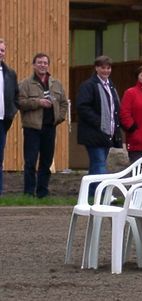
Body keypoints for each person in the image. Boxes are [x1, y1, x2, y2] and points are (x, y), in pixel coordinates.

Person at [17, 53, 68, 198]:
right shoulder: (25, 84)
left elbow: (63, 103)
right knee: (30, 161)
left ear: (48, 65)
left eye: (45, 63)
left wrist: (59, 117)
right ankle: (28, 193)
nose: (42, 65)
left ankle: (42, 192)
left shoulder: (56, 84)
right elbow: (20, 103)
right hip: (32, 128)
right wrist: (38, 102)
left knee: (46, 162)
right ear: (34, 65)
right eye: (39, 62)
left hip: (49, 128)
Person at [76, 55, 122, 195]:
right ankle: (103, 194)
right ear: (96, 68)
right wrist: (99, 122)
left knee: (96, 165)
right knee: (100, 163)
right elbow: (82, 107)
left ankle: (91, 194)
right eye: (103, 67)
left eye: (108, 68)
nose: (106, 71)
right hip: (94, 132)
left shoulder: (111, 86)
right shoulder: (88, 85)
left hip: (108, 133)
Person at [0, 38, 19, 196]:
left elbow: (16, 95)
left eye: (2, 50)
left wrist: (12, 111)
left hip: (2, 121)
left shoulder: (10, 74)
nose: (0, 53)